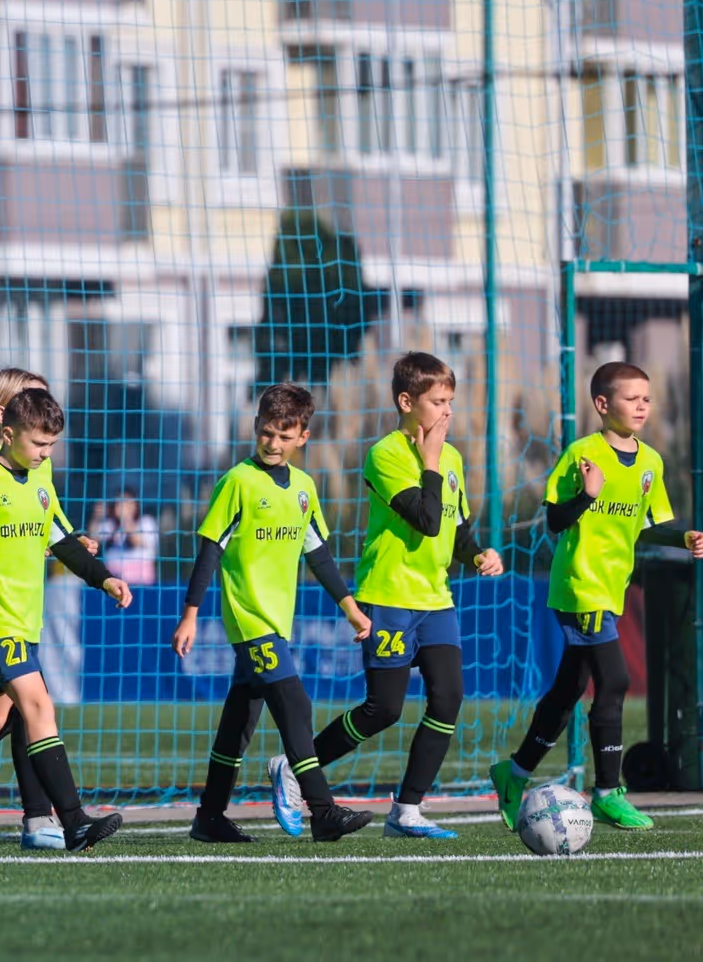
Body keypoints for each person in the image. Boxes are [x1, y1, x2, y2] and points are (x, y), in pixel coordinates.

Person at [275, 351, 506, 841]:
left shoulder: (452, 459)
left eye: (450, 401)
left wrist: (479, 553)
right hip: (389, 596)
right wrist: (428, 461)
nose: (447, 411)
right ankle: (297, 769)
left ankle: (407, 810)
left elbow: (454, 529)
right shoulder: (386, 455)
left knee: (449, 697)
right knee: (385, 709)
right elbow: (423, 518)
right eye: (437, 401)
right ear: (407, 401)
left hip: (436, 599)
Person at [491, 360, 703, 832]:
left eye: (647, 398)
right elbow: (554, 521)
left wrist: (684, 538)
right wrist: (587, 495)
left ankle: (514, 773)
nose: (642, 406)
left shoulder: (650, 462)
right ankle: (608, 791)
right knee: (615, 680)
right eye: (632, 398)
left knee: (568, 690)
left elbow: (650, 528)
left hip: (612, 589)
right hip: (580, 586)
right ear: (603, 405)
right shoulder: (582, 454)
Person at [0, 387, 130, 851]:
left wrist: (104, 578)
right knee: (38, 707)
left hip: (27, 622)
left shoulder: (39, 476)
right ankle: (72, 820)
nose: (45, 454)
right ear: (7, 431)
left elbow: (61, 539)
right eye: (38, 444)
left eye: (52, 446)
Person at [169, 385, 374, 845]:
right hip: (248, 618)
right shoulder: (238, 482)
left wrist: (351, 609)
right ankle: (322, 811)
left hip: (277, 623)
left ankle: (209, 818)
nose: (273, 443)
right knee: (296, 704)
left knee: (239, 722)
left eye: (285, 435)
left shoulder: (304, 488)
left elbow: (318, 554)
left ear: (303, 436)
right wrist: (191, 615)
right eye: (266, 433)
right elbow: (209, 551)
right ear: (256, 428)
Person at [91, 488, 160, 586]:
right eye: (119, 503)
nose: (123, 507)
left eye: (127, 503)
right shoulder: (110, 524)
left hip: (140, 580)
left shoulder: (146, 522)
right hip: (113, 578)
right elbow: (93, 542)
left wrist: (126, 518)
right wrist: (97, 518)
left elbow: (137, 541)